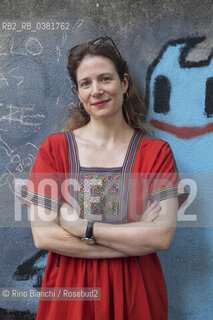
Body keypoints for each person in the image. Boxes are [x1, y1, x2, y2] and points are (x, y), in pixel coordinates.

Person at [18, 36, 188, 320]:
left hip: (137, 293)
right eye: (86, 83)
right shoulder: (55, 150)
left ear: (123, 84)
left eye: (105, 79)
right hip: (69, 296)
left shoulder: (155, 153)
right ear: (78, 93)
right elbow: (44, 235)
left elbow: (160, 236)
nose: (96, 90)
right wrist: (133, 239)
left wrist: (82, 227)